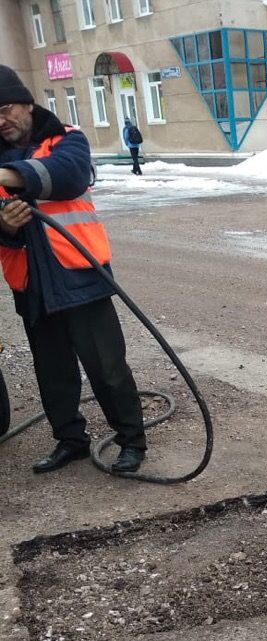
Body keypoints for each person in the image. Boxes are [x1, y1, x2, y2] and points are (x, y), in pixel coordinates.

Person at [0, 66, 147, 474]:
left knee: (108, 368)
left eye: (6, 108)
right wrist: (7, 228)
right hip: (31, 284)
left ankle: (132, 441)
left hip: (79, 277)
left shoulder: (66, 140)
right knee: (53, 372)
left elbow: (69, 176)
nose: (1, 120)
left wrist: (9, 177)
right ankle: (70, 440)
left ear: (27, 103)